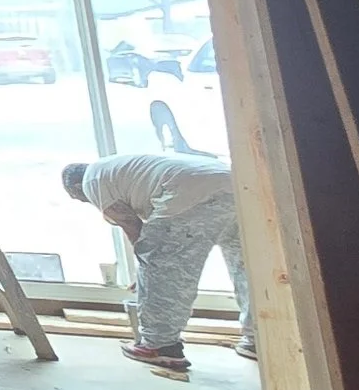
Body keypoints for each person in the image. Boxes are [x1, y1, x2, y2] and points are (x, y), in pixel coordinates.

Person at [61, 154, 256, 374]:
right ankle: (259, 339)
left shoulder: (92, 182)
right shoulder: (115, 168)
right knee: (248, 266)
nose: (83, 201)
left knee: (165, 267)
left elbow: (132, 226)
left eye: (76, 197)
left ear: (77, 186)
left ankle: (160, 346)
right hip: (238, 188)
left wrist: (147, 269)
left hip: (190, 195)